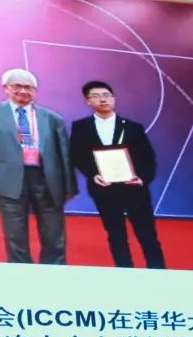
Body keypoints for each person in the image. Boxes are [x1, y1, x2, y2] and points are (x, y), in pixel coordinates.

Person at [0, 68, 76, 264]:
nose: (23, 91)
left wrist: (69, 185)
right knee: (15, 236)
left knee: (54, 235)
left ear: (35, 91)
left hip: (47, 180)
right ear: (5, 88)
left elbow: (64, 154)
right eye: (17, 86)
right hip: (9, 179)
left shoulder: (52, 117)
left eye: (28, 87)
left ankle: (54, 272)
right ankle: (21, 275)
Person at [69, 80, 166, 269]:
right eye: (96, 96)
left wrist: (142, 178)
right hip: (103, 189)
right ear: (88, 101)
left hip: (134, 188)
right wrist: (92, 174)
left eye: (106, 95)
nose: (102, 99)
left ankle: (158, 272)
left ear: (113, 98)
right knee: (116, 235)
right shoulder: (80, 127)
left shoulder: (133, 127)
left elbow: (148, 157)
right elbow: (77, 155)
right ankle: (124, 272)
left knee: (147, 235)